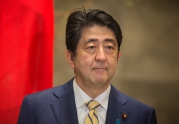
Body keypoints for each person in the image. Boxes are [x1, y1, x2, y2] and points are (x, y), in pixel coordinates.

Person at [18, 7, 157, 124]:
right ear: (71, 58)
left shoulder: (142, 115)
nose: (101, 57)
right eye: (91, 47)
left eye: (109, 47)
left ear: (118, 57)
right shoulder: (36, 108)